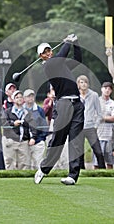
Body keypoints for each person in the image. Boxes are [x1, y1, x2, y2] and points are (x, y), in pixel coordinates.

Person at [34, 34, 85, 185]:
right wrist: (67, 42)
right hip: (63, 104)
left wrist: (75, 43)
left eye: (50, 50)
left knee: (76, 140)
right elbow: (62, 54)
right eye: (45, 52)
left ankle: (72, 176)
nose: (49, 53)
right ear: (41, 56)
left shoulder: (61, 64)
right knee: (58, 139)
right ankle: (44, 169)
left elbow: (78, 60)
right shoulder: (49, 65)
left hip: (77, 104)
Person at [76, 75, 106, 169]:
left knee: (98, 150)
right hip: (79, 127)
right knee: (79, 152)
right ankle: (81, 171)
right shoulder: (75, 96)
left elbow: (99, 113)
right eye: (81, 82)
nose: (84, 84)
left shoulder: (94, 95)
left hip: (90, 127)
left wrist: (96, 125)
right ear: (78, 85)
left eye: (85, 82)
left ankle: (103, 170)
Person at [3, 90, 37, 170]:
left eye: (21, 97)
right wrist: (13, 123)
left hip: (23, 141)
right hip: (10, 141)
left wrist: (33, 138)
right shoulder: (7, 112)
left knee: (24, 164)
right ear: (13, 100)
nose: (19, 99)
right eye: (17, 97)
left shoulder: (28, 113)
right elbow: (3, 123)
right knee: (9, 163)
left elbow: (33, 126)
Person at [23, 88, 48, 169]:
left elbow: (44, 126)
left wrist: (40, 139)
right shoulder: (21, 110)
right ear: (24, 98)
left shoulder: (39, 110)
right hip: (24, 142)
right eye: (28, 96)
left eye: (32, 96)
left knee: (38, 164)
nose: (30, 98)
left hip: (38, 142)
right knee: (26, 166)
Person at [96, 82, 114, 169]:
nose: (107, 90)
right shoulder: (96, 101)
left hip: (109, 136)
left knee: (110, 162)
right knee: (96, 162)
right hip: (97, 135)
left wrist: (101, 117)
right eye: (105, 88)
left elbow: (113, 118)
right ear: (101, 89)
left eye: (109, 89)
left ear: (111, 91)